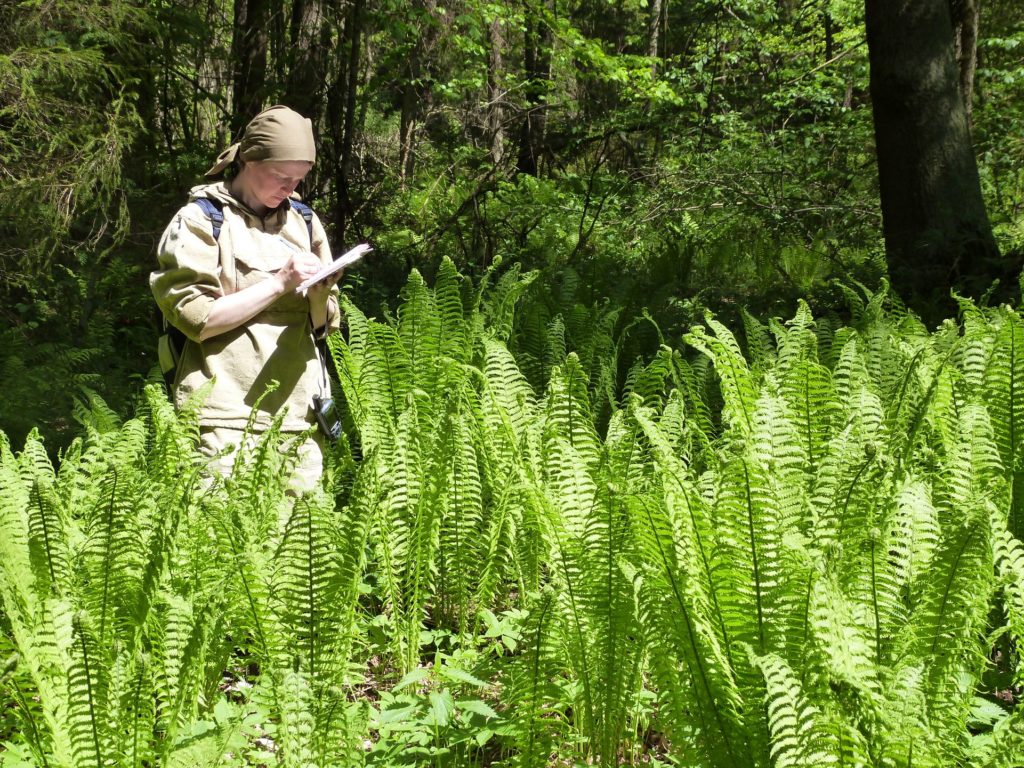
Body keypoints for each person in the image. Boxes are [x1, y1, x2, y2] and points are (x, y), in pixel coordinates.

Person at [151, 105, 341, 492]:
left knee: (298, 545)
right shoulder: (200, 221)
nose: (290, 188)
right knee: (220, 543)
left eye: (299, 179)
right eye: (281, 177)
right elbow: (197, 320)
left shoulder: (304, 223)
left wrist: (320, 298)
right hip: (223, 415)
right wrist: (280, 282)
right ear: (249, 160)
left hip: (298, 417)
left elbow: (324, 329)